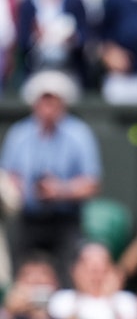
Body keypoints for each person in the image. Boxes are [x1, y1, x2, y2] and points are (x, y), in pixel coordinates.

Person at [0, 70, 102, 288]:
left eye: (52, 100)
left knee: (68, 275)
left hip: (65, 220)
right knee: (16, 270)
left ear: (63, 103)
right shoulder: (19, 134)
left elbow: (91, 183)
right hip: (27, 219)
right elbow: (9, 177)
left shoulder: (79, 133)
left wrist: (60, 190)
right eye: (43, 100)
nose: (47, 106)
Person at [47, 242, 137, 319]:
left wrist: (110, 299)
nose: (96, 277)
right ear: (75, 271)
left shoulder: (126, 301)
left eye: (102, 270)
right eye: (91, 270)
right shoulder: (62, 300)